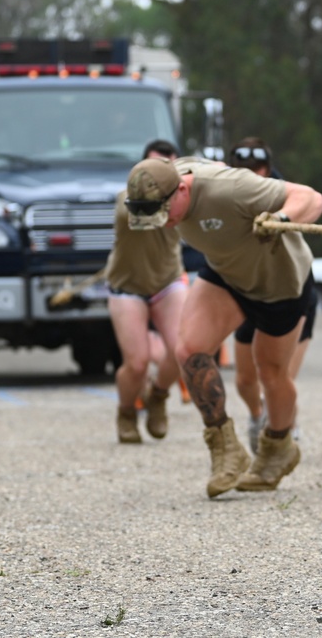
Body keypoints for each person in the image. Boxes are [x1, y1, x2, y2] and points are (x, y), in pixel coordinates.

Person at [123, 156, 322, 498]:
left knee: (272, 373)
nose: (164, 224)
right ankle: (225, 449)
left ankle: (279, 448)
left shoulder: (230, 189)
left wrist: (281, 218)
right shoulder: (167, 178)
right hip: (228, 276)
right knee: (189, 348)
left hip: (279, 282)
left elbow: (311, 198)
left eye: (165, 214)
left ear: (183, 189)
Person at [226, 137, 317, 453]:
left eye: (258, 168)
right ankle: (256, 417)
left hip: (292, 291)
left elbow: (313, 203)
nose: (252, 173)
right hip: (249, 291)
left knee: (278, 377)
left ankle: (280, 429)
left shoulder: (286, 194)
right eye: (244, 168)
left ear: (267, 168)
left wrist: (281, 219)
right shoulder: (226, 196)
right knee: (244, 381)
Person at [103, 141, 187, 444]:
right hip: (128, 287)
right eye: (154, 169)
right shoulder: (127, 201)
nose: (160, 176)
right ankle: (126, 412)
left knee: (182, 351)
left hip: (167, 281)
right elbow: (142, 213)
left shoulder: (184, 199)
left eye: (168, 169)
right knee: (136, 364)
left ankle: (158, 397)